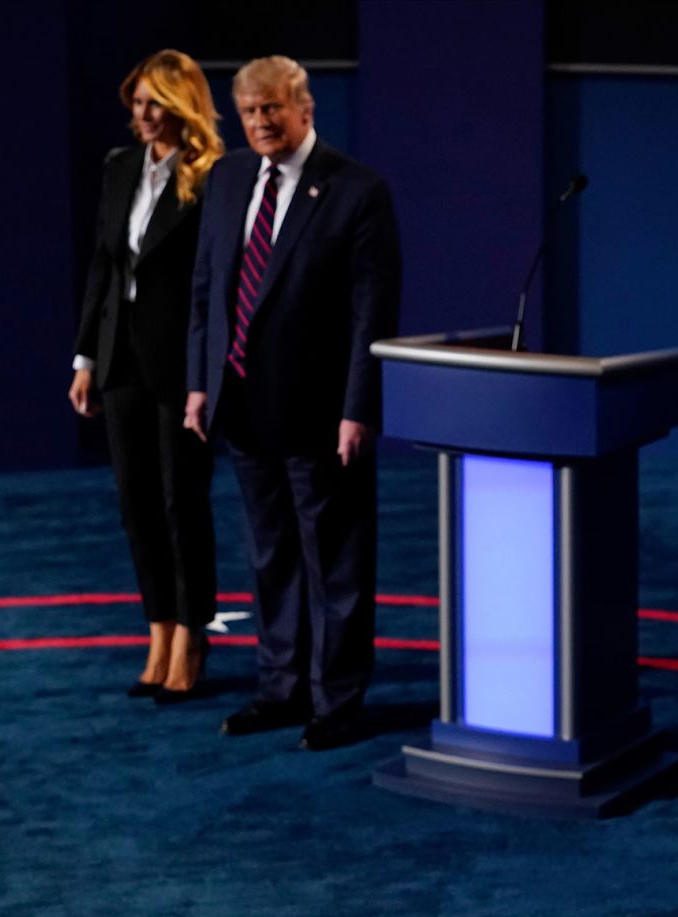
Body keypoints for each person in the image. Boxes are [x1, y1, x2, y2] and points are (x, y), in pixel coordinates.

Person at [184, 55, 401, 751]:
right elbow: (206, 290)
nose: (260, 123)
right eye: (249, 112)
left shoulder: (356, 191)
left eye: (272, 109)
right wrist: (199, 383)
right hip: (242, 402)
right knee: (271, 553)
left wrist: (358, 407)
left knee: (333, 560)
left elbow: (373, 312)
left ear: (305, 109)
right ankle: (281, 689)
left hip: (320, 412)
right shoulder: (227, 179)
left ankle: (337, 698)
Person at [69, 49, 224, 702]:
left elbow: (216, 284)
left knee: (179, 502)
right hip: (119, 360)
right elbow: (104, 268)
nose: (144, 115)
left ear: (183, 104)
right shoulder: (119, 168)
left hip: (181, 363)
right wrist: (84, 359)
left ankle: (191, 638)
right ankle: (157, 631)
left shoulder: (215, 177)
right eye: (137, 103)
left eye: (156, 102)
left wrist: (208, 374)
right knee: (136, 503)